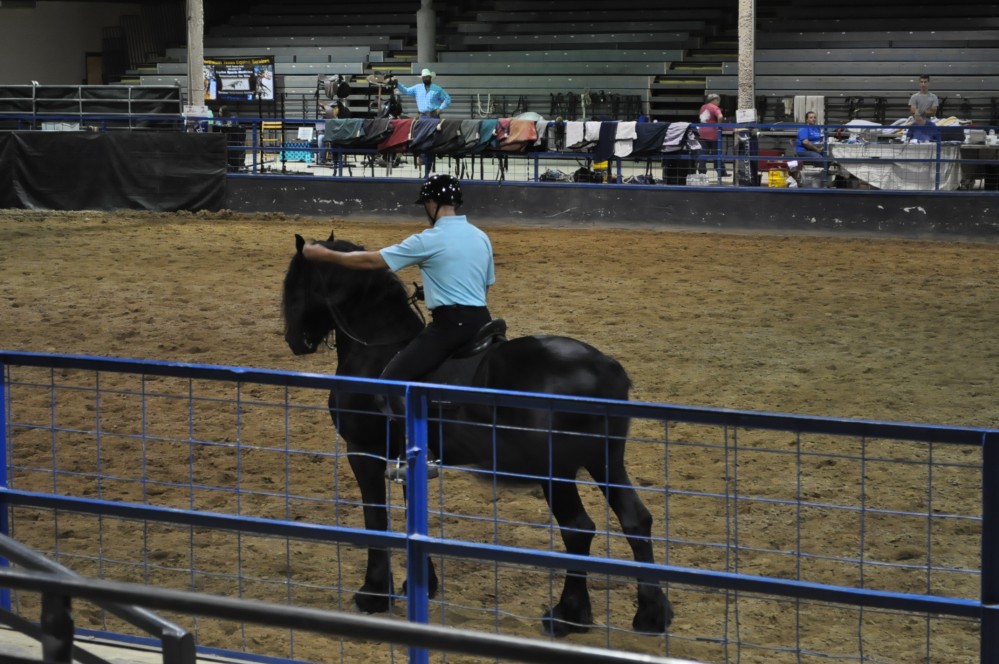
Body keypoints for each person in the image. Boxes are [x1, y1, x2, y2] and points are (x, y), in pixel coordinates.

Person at [302, 175, 494, 479]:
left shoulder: (429, 239)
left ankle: (418, 452)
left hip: (450, 327)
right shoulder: (480, 236)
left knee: (390, 381)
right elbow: (482, 287)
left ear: (432, 204)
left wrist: (325, 255)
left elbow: (372, 262)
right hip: (484, 323)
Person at [791, 111, 826, 186]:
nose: (813, 119)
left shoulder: (817, 129)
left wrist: (822, 146)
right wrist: (817, 149)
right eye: (811, 117)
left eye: (814, 117)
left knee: (829, 158)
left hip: (814, 149)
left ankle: (821, 177)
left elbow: (820, 140)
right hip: (803, 151)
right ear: (807, 119)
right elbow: (805, 142)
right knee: (819, 158)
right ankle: (819, 179)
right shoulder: (804, 129)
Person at [696, 93, 727, 177]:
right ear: (715, 100)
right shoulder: (715, 107)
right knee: (716, 153)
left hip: (702, 133)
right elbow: (720, 116)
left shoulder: (703, 107)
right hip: (713, 133)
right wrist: (719, 125)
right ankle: (721, 172)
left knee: (703, 154)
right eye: (718, 101)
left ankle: (702, 173)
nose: (719, 103)